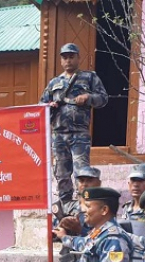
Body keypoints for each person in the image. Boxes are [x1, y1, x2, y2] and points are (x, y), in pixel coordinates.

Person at [40, 43, 108, 207]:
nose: (68, 60)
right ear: (61, 60)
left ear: (78, 58)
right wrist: (50, 107)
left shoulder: (90, 77)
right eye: (65, 57)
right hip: (59, 135)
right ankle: (65, 206)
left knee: (82, 172)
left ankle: (84, 205)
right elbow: (42, 106)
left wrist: (88, 97)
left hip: (79, 134)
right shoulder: (54, 82)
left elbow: (103, 99)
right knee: (61, 172)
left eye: (71, 56)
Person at [53, 165, 102, 262]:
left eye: (89, 180)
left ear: (98, 183)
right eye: (81, 180)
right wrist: (62, 228)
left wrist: (80, 230)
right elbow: (53, 235)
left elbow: (102, 238)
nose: (85, 184)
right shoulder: (66, 207)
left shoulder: (102, 209)